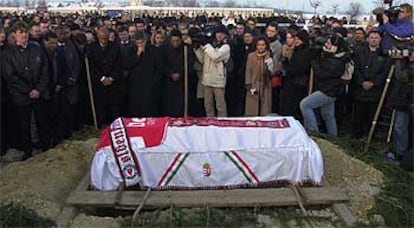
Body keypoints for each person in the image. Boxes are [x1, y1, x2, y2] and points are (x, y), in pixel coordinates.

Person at [2, 21, 51, 160]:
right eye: (20, 33)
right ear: (14, 35)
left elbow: (44, 70)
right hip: (21, 96)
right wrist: (28, 90)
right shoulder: (8, 53)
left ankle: (45, 147)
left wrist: (38, 89)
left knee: (42, 121)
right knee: (24, 124)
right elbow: (10, 76)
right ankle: (27, 151)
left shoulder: (36, 48)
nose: (24, 35)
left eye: (25, 32)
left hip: (39, 93)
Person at [300, 34, 350, 137]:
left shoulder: (338, 60)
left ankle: (313, 133)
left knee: (305, 104)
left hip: (328, 90)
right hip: (330, 89)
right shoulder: (333, 57)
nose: (326, 45)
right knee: (328, 115)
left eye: (328, 43)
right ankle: (333, 137)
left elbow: (322, 73)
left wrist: (314, 62)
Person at [351, 31, 392, 137]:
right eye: (371, 37)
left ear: (380, 39)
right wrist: (362, 82)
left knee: (372, 116)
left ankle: (370, 137)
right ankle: (357, 137)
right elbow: (356, 69)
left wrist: (373, 83)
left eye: (376, 37)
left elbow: (385, 72)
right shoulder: (360, 52)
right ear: (368, 39)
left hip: (375, 92)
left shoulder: (385, 55)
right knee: (358, 116)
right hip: (360, 90)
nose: (374, 39)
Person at [87, 26, 123, 126]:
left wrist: (111, 78)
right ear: (98, 37)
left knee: (114, 106)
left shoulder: (115, 47)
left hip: (113, 82)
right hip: (99, 82)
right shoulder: (91, 48)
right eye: (102, 39)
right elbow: (91, 66)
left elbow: (119, 64)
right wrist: (102, 78)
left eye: (106, 38)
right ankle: (101, 125)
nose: (104, 41)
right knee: (100, 105)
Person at [194, 25, 230, 117]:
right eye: (218, 33)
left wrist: (206, 46)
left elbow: (215, 56)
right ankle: (210, 121)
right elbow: (202, 60)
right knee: (208, 104)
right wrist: (197, 49)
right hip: (207, 79)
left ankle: (222, 121)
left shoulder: (226, 47)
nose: (220, 35)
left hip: (218, 81)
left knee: (220, 105)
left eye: (222, 33)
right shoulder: (209, 45)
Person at [125, 31, 163, 117]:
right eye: (138, 43)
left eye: (141, 42)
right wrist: (138, 54)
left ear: (145, 41)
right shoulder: (131, 50)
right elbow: (127, 64)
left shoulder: (153, 51)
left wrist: (154, 81)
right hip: (136, 85)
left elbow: (159, 68)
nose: (140, 45)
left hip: (150, 85)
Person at [386, 49, 413, 167]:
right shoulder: (405, 63)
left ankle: (406, 155)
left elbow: (402, 76)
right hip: (402, 100)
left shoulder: (405, 66)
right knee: (399, 126)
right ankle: (400, 152)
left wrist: (397, 61)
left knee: (404, 127)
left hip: (410, 100)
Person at [279, 30, 311, 120]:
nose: (296, 41)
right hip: (292, 82)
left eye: (299, 39)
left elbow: (301, 67)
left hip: (297, 83)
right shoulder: (298, 50)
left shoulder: (305, 51)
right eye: (296, 39)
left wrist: (287, 70)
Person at [245, 36, 277, 116]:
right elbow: (248, 71)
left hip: (266, 85)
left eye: (263, 45)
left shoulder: (270, 56)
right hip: (253, 84)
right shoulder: (251, 56)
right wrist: (248, 84)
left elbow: (274, 71)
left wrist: (270, 68)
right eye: (259, 45)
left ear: (266, 46)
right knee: (252, 107)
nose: (261, 47)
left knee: (265, 107)